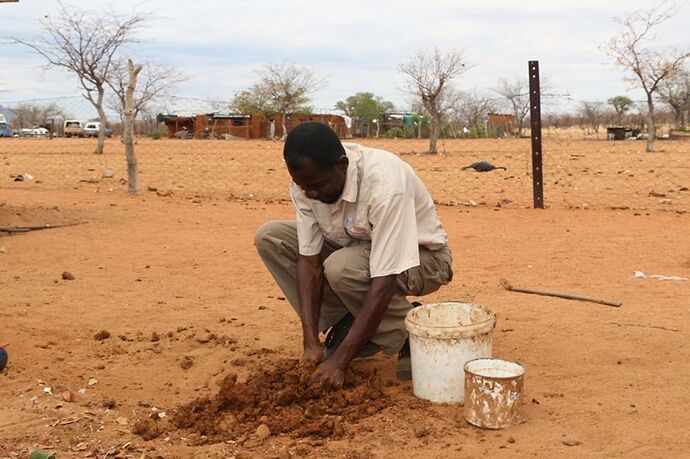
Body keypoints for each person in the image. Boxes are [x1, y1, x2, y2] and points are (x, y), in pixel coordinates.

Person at [255, 122, 453, 390]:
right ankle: (348, 322)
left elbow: (384, 278)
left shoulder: (384, 182)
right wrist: (310, 342)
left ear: (342, 164)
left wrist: (340, 362)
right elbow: (309, 262)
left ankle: (408, 332)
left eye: (316, 185)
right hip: (356, 248)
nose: (310, 194)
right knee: (271, 237)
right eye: (303, 187)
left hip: (424, 259)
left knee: (341, 267)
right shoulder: (306, 184)